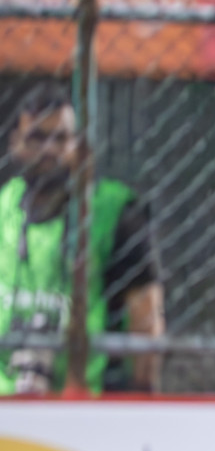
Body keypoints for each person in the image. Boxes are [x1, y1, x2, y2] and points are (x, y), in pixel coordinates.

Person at [0, 81, 164, 395]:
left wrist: (143, 401)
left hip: (84, 403)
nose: (49, 150)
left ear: (79, 147)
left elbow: (145, 320)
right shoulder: (4, 207)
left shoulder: (115, 212)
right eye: (37, 137)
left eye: (60, 139)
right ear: (15, 145)